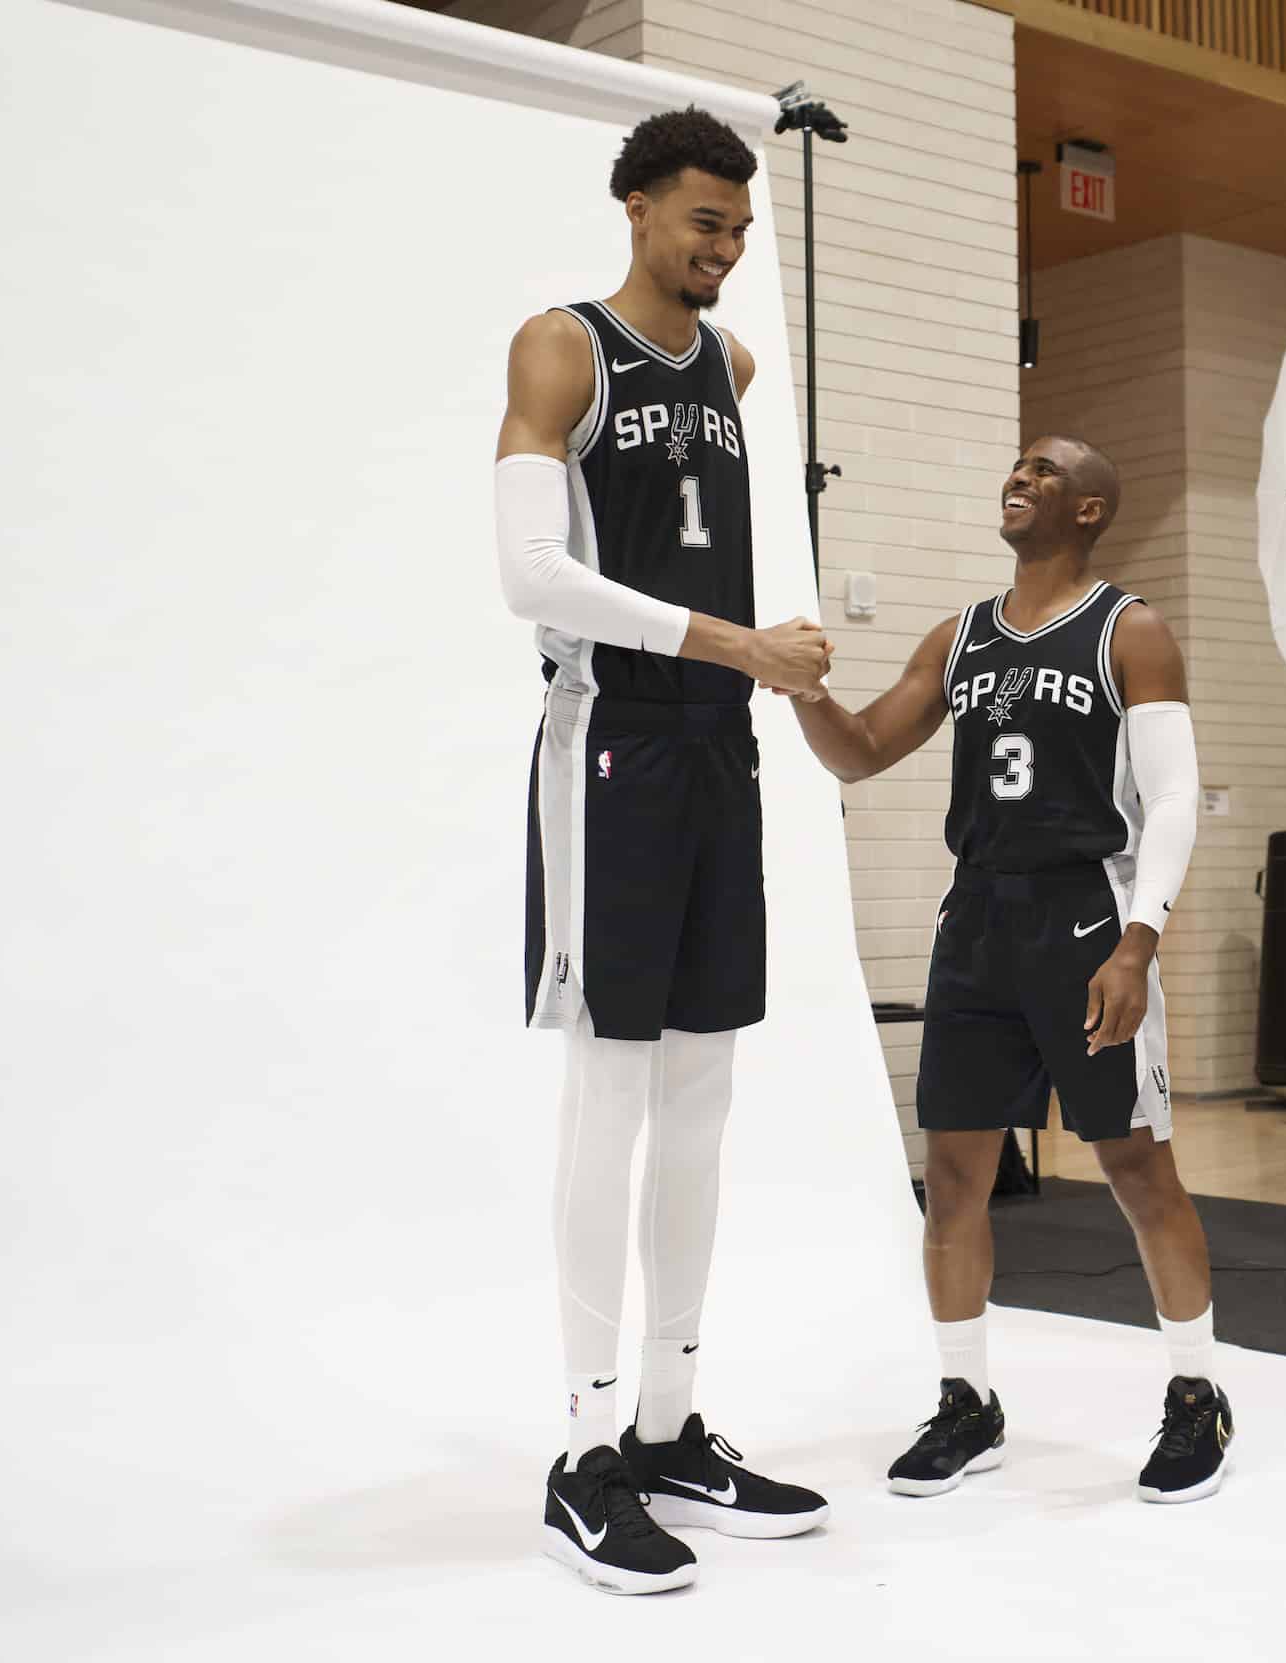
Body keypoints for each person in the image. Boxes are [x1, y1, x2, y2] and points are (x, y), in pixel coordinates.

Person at [494, 107, 833, 1596]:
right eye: (704, 222)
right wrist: (730, 641)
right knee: (612, 1086)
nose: (725, 249)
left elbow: (742, 560)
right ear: (636, 208)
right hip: (613, 741)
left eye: (741, 229)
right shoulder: (562, 347)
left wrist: (785, 657)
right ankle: (582, 1452)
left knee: (703, 1084)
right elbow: (526, 573)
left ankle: (672, 1420)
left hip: (720, 745)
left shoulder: (736, 369)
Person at [777, 435, 1232, 1505]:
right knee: (952, 1179)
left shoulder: (1132, 629)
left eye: (1044, 469)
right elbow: (859, 751)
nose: (1019, 477)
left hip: (1085, 917)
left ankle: (1196, 1392)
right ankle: (965, 1400)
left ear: (1088, 509)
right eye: (1016, 466)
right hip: (977, 917)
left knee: (1135, 1168)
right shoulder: (960, 635)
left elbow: (1169, 799)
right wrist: (797, 687)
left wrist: (1139, 938)